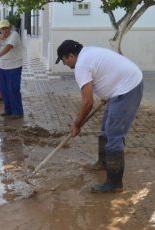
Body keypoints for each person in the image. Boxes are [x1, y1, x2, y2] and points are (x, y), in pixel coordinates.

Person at [55, 40, 143, 193]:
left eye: (63, 60)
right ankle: (103, 162)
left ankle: (114, 184)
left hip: (127, 89)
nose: (64, 64)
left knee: (114, 134)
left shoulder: (81, 65)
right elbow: (104, 70)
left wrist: (77, 124)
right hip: (121, 87)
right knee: (105, 129)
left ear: (71, 55)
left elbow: (87, 102)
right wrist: (107, 91)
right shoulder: (87, 52)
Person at [0, 19, 24, 119]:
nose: (4, 31)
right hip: (3, 67)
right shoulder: (1, 37)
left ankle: (18, 112)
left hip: (14, 66)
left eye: (6, 28)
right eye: (2, 29)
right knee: (4, 90)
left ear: (10, 28)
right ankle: (8, 110)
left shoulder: (14, 35)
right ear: (0, 29)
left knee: (13, 89)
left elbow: (9, 47)